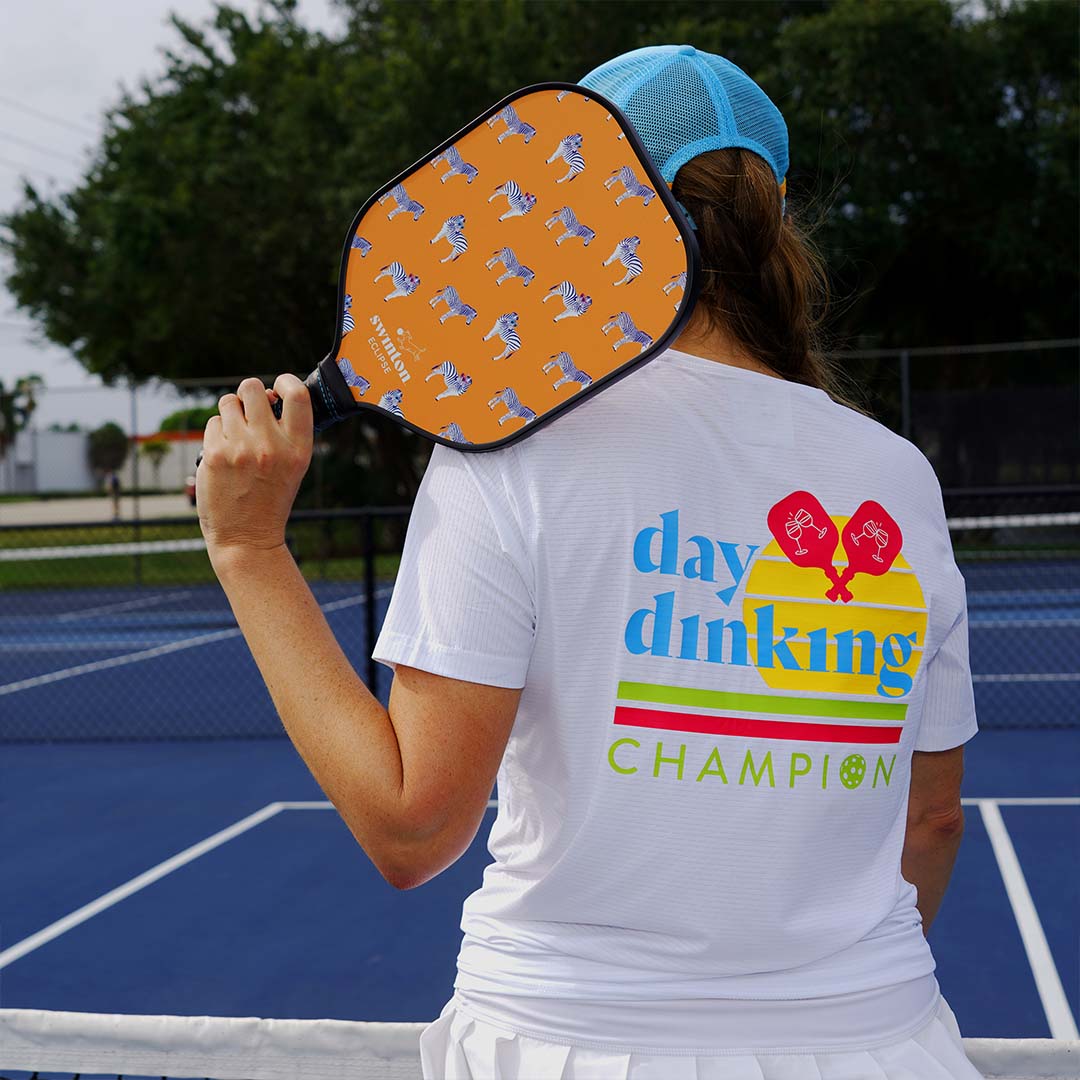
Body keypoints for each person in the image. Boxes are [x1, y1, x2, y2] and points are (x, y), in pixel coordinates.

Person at [195, 43, 982, 1080]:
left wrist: (250, 549)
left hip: (565, 1046)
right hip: (879, 1045)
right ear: (775, 218)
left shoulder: (507, 453)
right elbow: (930, 820)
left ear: (586, 199)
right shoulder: (897, 475)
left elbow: (411, 828)